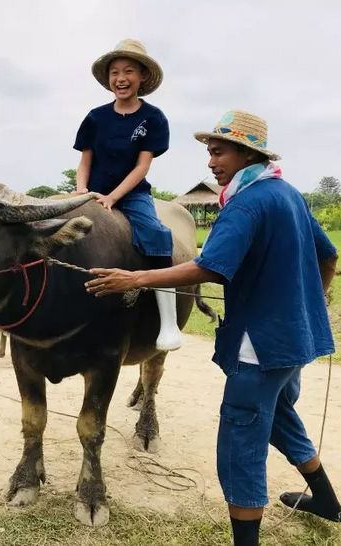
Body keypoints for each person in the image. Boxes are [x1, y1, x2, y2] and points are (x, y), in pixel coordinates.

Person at [85, 110, 340, 546]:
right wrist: (311, 302)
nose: (210, 162)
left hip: (257, 346)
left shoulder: (249, 202)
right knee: (279, 415)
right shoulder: (288, 193)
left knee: (240, 444)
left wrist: (134, 278)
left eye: (218, 152)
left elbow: (209, 268)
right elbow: (329, 256)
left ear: (246, 154)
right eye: (209, 152)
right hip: (294, 338)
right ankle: (328, 503)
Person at [73, 38, 180, 351]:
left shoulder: (153, 118)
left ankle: (168, 322)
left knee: (158, 234)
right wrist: (82, 191)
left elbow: (142, 167)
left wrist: (113, 197)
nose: (120, 78)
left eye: (128, 71)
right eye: (115, 72)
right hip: (90, 192)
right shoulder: (95, 117)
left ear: (142, 76)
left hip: (131, 194)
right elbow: (84, 161)